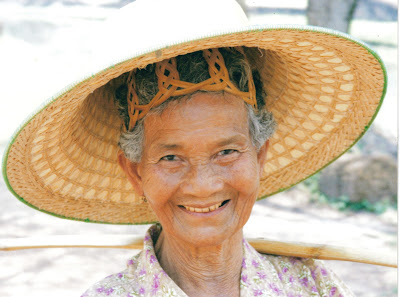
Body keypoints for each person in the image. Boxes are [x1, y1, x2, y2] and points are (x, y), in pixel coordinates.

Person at [2, 0, 386, 296]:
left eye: (227, 152)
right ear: (136, 172)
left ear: (261, 154)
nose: (202, 185)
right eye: (171, 158)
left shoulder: (313, 285)